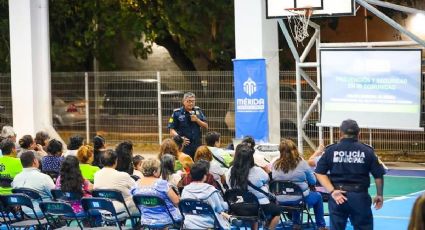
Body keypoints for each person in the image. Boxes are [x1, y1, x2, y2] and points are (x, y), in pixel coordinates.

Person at [315, 119, 386, 230]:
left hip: (338, 196)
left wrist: (332, 191)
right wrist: (379, 195)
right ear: (359, 134)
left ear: (339, 133)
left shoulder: (331, 150)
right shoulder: (367, 151)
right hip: (359, 197)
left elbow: (319, 172)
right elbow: (378, 175)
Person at [272, 139, 327, 230]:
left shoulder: (275, 165)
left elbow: (273, 179)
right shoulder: (302, 164)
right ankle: (321, 226)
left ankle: (296, 224)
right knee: (317, 196)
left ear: (280, 151)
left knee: (294, 193)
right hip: (299, 200)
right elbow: (313, 181)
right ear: (295, 150)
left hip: (280, 200)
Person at [226, 143, 281, 230]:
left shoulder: (230, 171)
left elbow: (229, 185)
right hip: (257, 207)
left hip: (237, 206)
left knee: (253, 202)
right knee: (277, 211)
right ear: (251, 158)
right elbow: (267, 179)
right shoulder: (257, 171)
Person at [130, 158, 182, 226]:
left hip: (146, 219)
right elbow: (177, 202)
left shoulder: (135, 185)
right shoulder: (162, 184)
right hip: (167, 219)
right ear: (154, 172)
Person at [181, 160, 230, 229]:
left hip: (189, 223)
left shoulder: (185, 190)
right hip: (208, 223)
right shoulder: (210, 190)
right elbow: (220, 209)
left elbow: (184, 208)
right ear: (204, 176)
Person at [94, 149, 137, 214]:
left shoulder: (96, 174)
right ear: (116, 161)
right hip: (121, 209)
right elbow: (136, 188)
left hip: (103, 209)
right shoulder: (123, 175)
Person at [168, 92, 208, 159]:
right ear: (183, 102)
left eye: (193, 101)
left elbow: (206, 126)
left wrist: (197, 120)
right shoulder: (177, 113)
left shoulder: (198, 111)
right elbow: (171, 131)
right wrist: (180, 138)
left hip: (197, 145)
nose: (191, 103)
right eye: (189, 101)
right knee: (185, 165)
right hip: (183, 146)